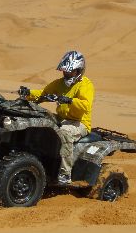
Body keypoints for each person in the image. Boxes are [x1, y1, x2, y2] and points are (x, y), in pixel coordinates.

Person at [18, 50, 95, 185]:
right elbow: (43, 93)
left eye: (69, 71)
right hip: (61, 118)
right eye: (64, 71)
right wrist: (28, 93)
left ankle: (65, 174)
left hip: (79, 123)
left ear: (78, 71)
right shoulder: (59, 83)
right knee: (40, 120)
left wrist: (68, 100)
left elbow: (85, 105)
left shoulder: (85, 84)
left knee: (65, 132)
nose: (66, 74)